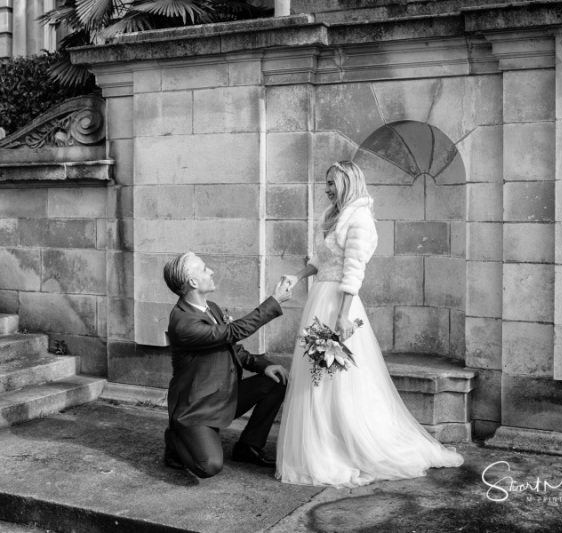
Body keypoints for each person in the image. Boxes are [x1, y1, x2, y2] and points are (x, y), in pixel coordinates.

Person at [276, 161, 464, 487]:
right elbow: (322, 259)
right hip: (318, 302)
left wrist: (343, 316)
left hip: (339, 305)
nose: (327, 189)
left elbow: (353, 271)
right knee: (315, 377)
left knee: (339, 380)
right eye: (326, 183)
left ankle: (344, 447)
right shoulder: (332, 216)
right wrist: (298, 275)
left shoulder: (360, 219)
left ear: (348, 182)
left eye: (332, 183)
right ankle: (319, 446)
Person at [163, 252, 292, 478]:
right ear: (193, 282)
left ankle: (248, 446)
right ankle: (176, 438)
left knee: (276, 381)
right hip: (198, 408)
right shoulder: (183, 322)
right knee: (209, 466)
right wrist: (274, 301)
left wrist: (263, 366)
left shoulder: (210, 306)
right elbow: (233, 331)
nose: (211, 271)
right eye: (204, 269)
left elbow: (231, 346)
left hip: (225, 395)